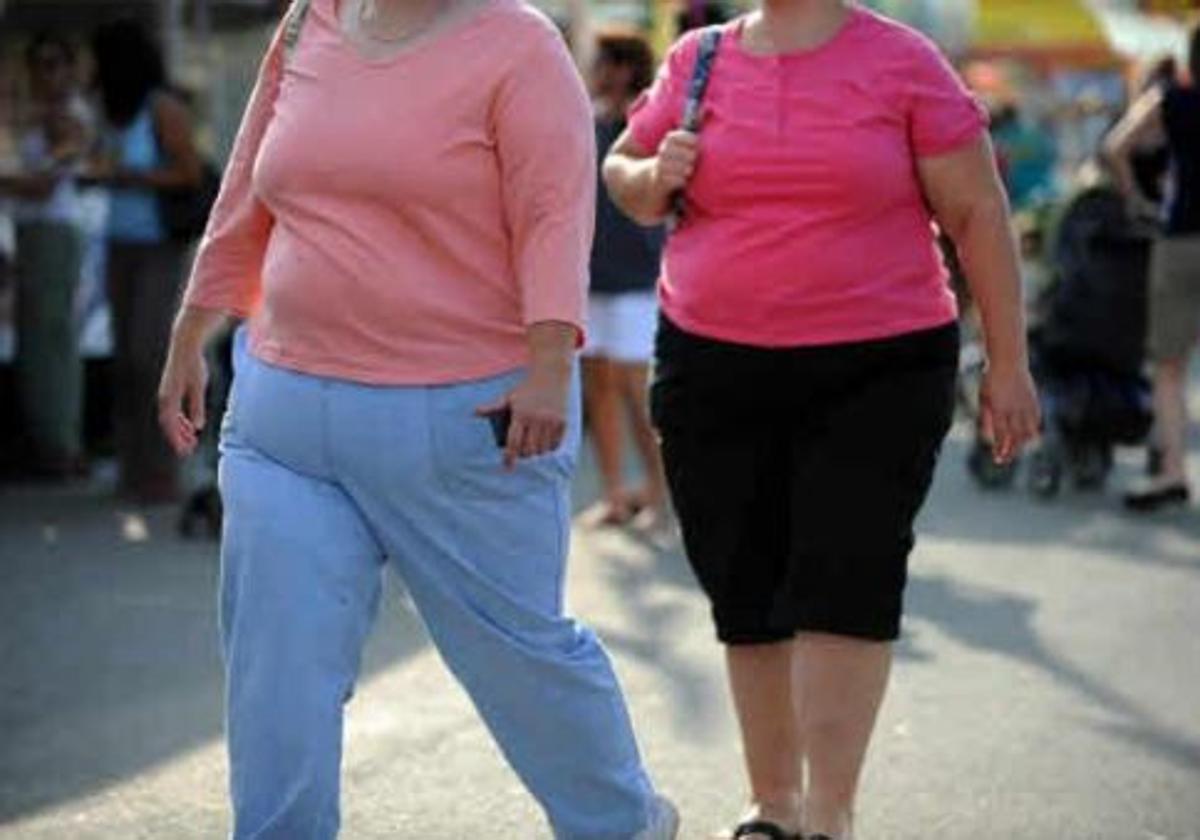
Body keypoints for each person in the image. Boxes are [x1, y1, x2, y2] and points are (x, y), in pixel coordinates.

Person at [156, 0, 677, 838]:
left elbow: (553, 212)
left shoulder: (519, 44)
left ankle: (620, 823)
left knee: (518, 657)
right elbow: (250, 180)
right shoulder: (310, 22)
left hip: (467, 413)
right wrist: (194, 323)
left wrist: (550, 365)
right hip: (283, 419)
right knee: (277, 673)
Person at [603, 2, 1040, 838]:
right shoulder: (698, 58)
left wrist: (1009, 365)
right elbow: (622, 169)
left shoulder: (902, 61)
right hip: (712, 362)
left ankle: (829, 817)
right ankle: (774, 807)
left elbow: (979, 213)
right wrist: (654, 176)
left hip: (877, 367)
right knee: (744, 582)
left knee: (847, 575)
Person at [88, 20, 203, 504]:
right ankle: (133, 469)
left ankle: (163, 470)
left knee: (148, 353)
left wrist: (133, 177)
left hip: (159, 244)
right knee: (125, 361)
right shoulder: (107, 112)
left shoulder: (163, 108)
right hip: (119, 243)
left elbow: (190, 172)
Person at [1106, 23, 1200, 513]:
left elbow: (1116, 147)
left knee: (1168, 368)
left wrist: (1139, 199)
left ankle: (1172, 474)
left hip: (1180, 236)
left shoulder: (1171, 99)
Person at [582, 29, 669, 528]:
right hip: (590, 277)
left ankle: (658, 494)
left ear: (623, 67)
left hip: (638, 280)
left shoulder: (650, 123)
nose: (596, 71)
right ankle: (615, 494)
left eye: (603, 62)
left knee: (639, 396)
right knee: (599, 393)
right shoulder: (587, 122)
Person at [0, 32, 89, 479]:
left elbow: (46, 181)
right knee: (37, 342)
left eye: (55, 63)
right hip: (32, 230)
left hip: (53, 230)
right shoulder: (38, 114)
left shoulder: (68, 116)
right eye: (39, 63)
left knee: (51, 342)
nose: (45, 72)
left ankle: (59, 444)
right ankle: (47, 442)